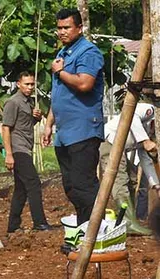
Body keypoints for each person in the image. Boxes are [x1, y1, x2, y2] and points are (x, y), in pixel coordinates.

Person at [42, 8, 105, 225]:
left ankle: (94, 231)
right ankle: (84, 227)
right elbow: (59, 95)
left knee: (83, 184)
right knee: (70, 186)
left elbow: (85, 83)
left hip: (83, 130)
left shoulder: (89, 52)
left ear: (79, 27)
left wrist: (60, 72)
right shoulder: (63, 54)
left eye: (67, 27)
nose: (62, 32)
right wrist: (49, 124)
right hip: (64, 132)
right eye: (59, 28)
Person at [2, 72, 51, 233]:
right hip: (18, 149)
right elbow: (6, 128)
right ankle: (40, 222)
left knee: (21, 189)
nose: (30, 87)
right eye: (27, 84)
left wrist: (35, 118)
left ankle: (12, 226)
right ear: (18, 84)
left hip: (26, 148)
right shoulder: (13, 102)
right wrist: (9, 154)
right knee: (34, 184)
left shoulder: (28, 103)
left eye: (32, 84)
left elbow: (25, 124)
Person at [99, 102, 159, 235]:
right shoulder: (149, 110)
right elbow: (131, 115)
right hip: (110, 142)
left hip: (124, 148)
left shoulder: (152, 132)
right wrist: (145, 141)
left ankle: (129, 220)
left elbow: (146, 159)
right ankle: (127, 221)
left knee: (132, 181)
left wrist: (156, 185)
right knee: (120, 181)